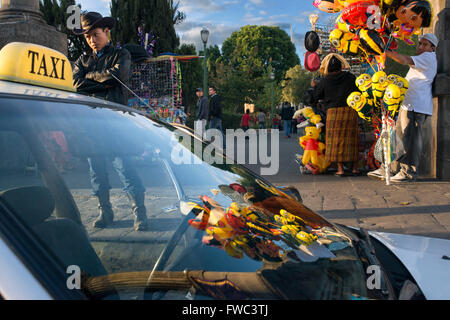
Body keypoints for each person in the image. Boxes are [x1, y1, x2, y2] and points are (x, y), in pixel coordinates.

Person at [72, 12, 148, 231]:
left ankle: (139, 212)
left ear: (106, 32)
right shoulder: (82, 60)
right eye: (87, 37)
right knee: (96, 171)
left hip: (116, 122)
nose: (92, 40)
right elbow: (76, 84)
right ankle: (105, 212)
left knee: (125, 168)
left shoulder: (121, 54)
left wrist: (91, 78)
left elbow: (116, 77)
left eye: (95, 35)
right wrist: (102, 81)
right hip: (91, 124)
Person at [368, 33, 438, 182]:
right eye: (420, 44)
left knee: (411, 141)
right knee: (397, 140)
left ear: (432, 48)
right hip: (407, 105)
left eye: (425, 45)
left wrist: (385, 52)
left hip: (416, 106)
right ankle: (390, 169)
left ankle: (408, 172)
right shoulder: (421, 59)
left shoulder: (428, 57)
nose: (421, 47)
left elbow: (404, 59)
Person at [314, 53, 360, 177]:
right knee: (351, 140)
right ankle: (355, 168)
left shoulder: (325, 80)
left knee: (336, 141)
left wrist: (314, 86)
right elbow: (358, 91)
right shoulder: (350, 77)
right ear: (341, 66)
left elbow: (316, 96)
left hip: (333, 112)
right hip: (350, 111)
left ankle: (340, 169)